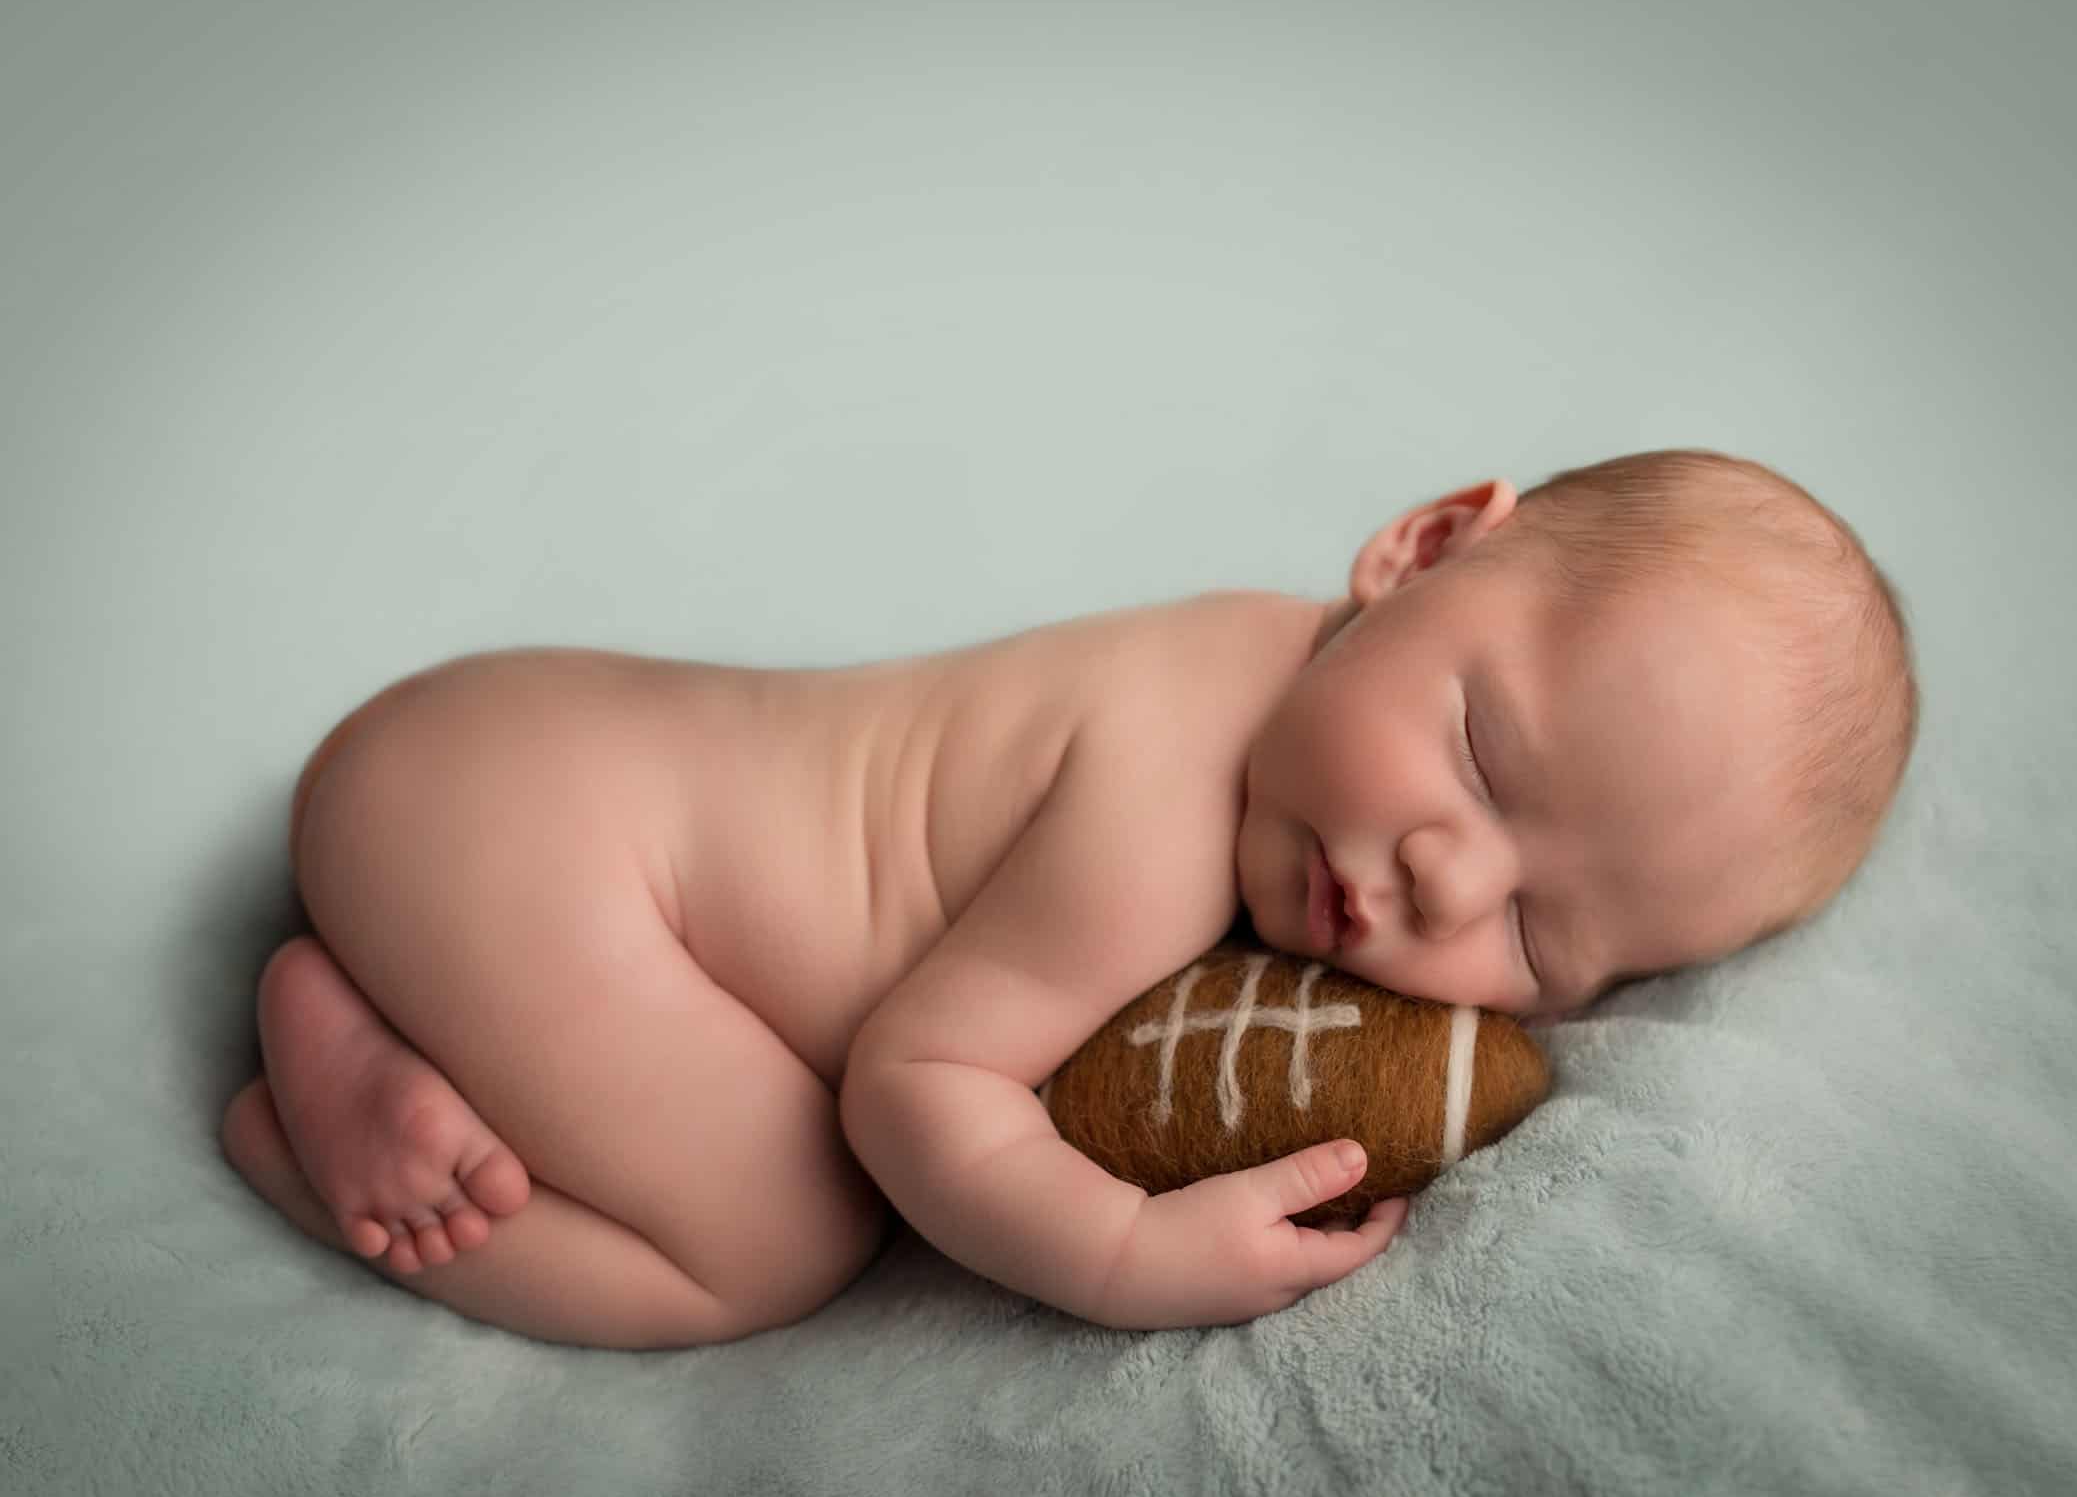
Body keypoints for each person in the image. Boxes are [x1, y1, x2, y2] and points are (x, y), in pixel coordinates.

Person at [219, 447, 1918, 1347]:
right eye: (1480, 752)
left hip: (521, 751)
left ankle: (388, 1009)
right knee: (777, 1237)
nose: (1445, 878)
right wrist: (1115, 1250)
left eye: (1537, 933)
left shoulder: (1284, 696)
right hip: (523, 831)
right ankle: (323, 1115)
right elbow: (917, 1082)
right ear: (1422, 547)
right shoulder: (1169, 791)